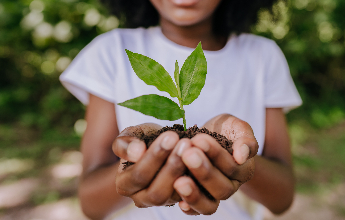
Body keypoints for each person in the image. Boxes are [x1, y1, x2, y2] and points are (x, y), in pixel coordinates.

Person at [59, 0, 302, 219]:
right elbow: (90, 204)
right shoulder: (110, 52)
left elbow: (282, 199)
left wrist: (237, 160)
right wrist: (140, 165)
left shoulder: (262, 56)